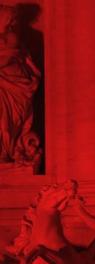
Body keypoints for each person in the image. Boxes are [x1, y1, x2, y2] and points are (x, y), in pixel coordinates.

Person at [0, 5, 40, 162]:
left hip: (15, 83)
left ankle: (5, 151)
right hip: (8, 80)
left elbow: (10, 56)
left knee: (9, 119)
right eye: (10, 18)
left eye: (13, 19)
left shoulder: (11, 36)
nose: (13, 21)